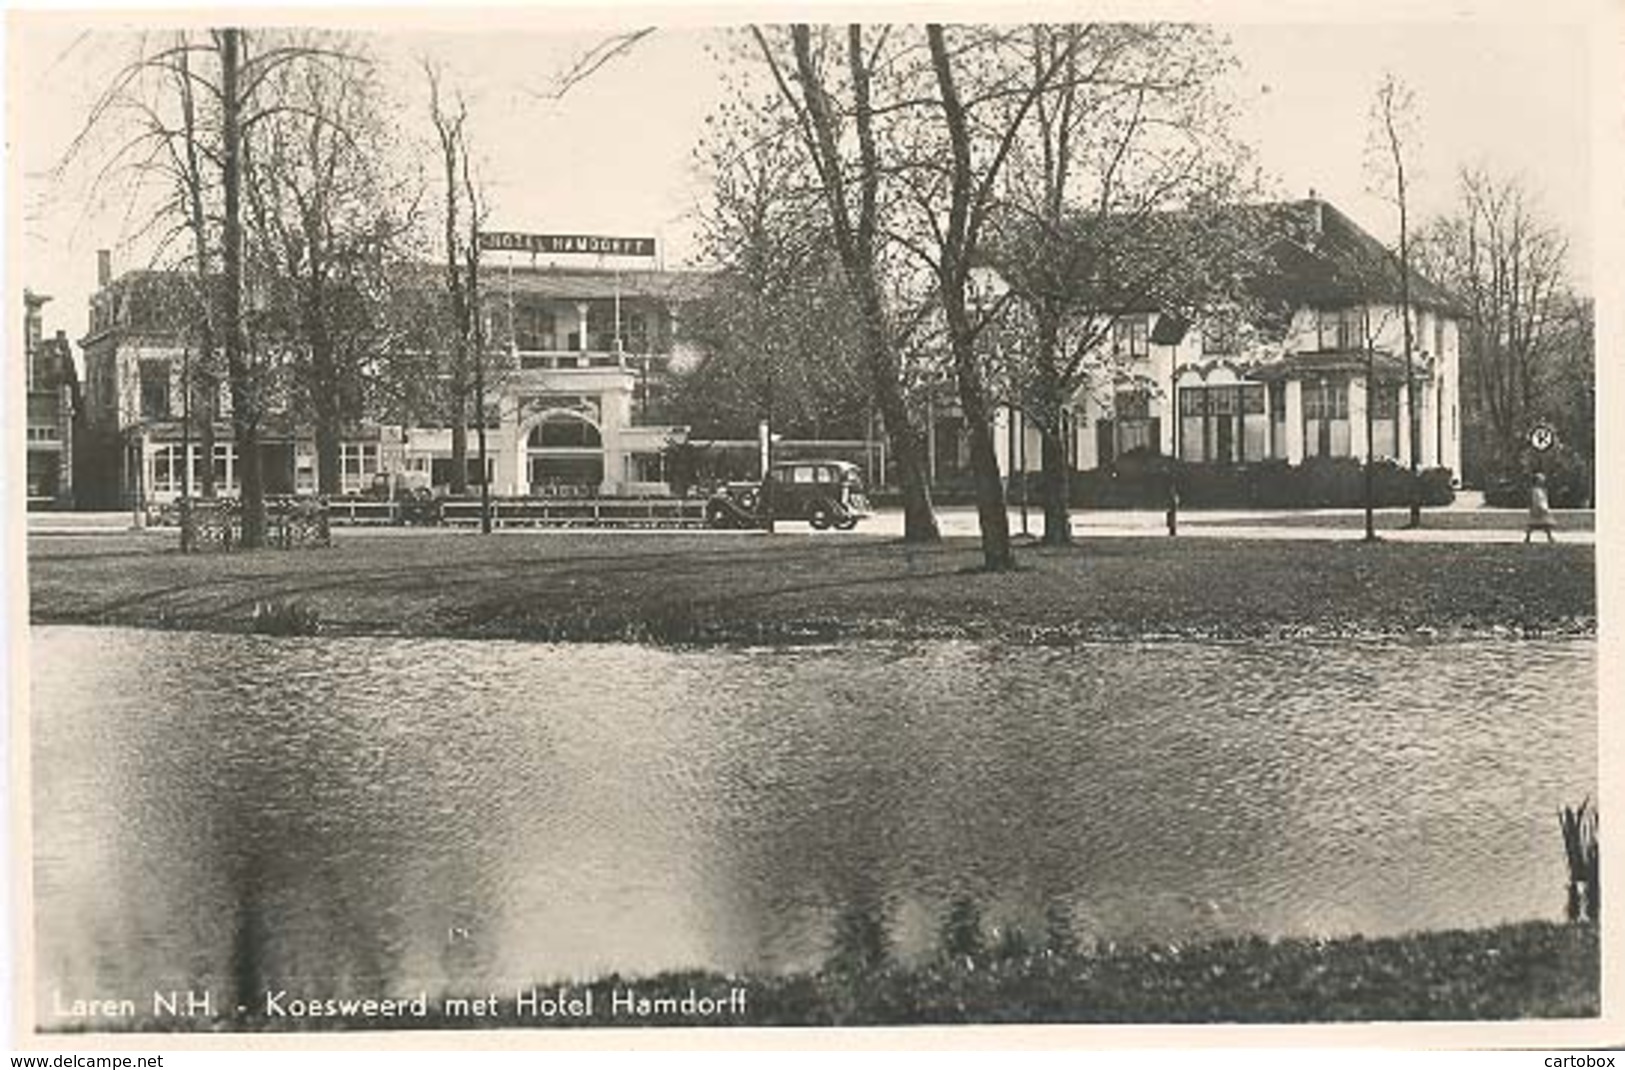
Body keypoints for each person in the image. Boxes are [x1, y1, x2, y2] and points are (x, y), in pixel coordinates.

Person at [1525, 473, 1557, 543]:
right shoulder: (1535, 491)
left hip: (1542, 508)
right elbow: (1536, 500)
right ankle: (1528, 537)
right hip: (1538, 509)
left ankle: (1550, 537)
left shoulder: (1541, 490)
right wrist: (1540, 507)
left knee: (1546, 524)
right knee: (1534, 525)